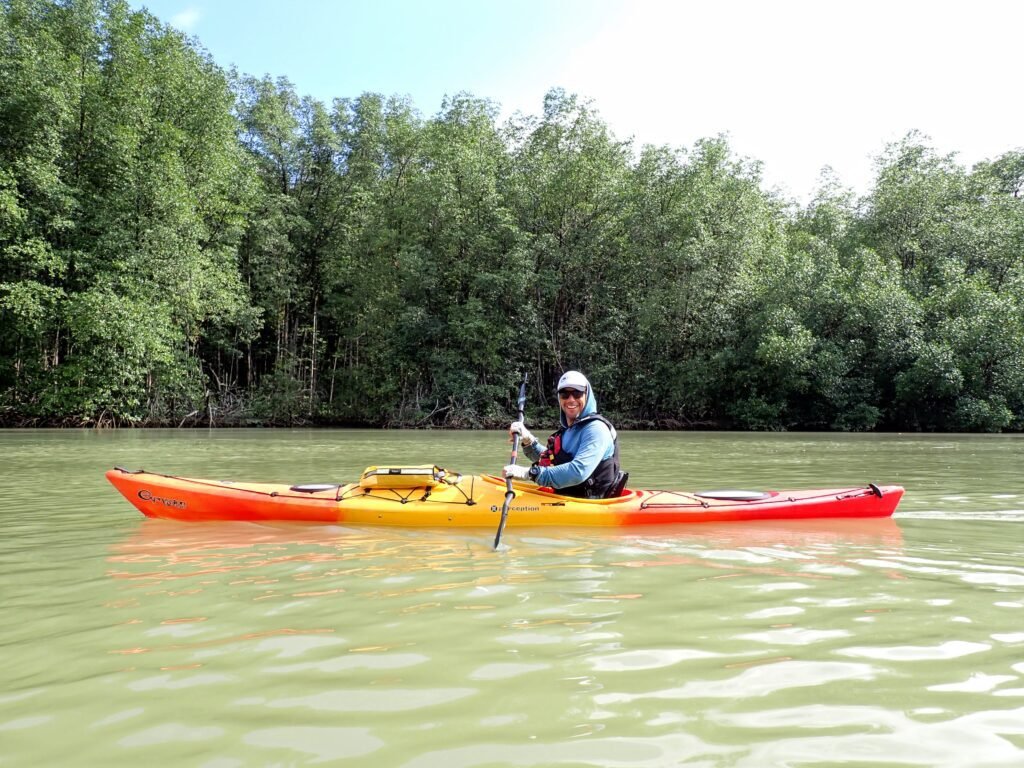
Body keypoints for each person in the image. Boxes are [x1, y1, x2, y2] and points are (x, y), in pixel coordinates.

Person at [503, 370, 626, 498]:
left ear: (587, 395)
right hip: (566, 500)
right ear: (559, 398)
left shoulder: (596, 429)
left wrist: (530, 473)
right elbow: (551, 461)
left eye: (577, 393)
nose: (571, 399)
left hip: (591, 506)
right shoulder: (568, 429)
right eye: (564, 394)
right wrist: (529, 441)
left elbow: (578, 472)